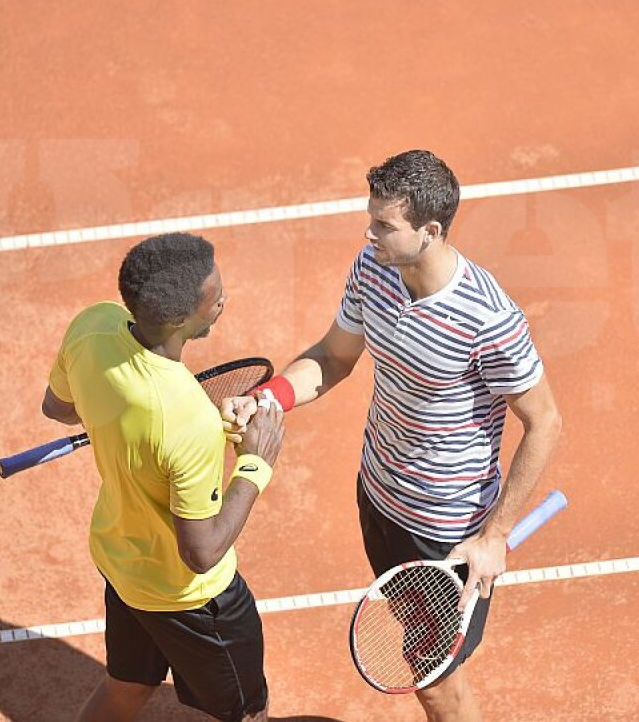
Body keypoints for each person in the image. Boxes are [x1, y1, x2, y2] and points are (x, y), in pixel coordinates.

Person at [225, 150, 562, 722]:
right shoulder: (373, 268)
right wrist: (268, 399)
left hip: (445, 531)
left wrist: (494, 536)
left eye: (384, 224)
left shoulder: (488, 319)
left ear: (430, 232)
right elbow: (334, 356)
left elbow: (545, 422)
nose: (369, 231)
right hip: (379, 497)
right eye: (371, 217)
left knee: (434, 682)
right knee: (418, 650)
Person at [42, 232, 284, 722]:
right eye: (216, 298)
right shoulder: (186, 419)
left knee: (126, 688)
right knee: (248, 714)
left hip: (123, 563)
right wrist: (255, 466)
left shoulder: (93, 325)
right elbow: (200, 552)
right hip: (192, 601)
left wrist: (117, 417)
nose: (224, 300)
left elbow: (58, 407)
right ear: (180, 320)